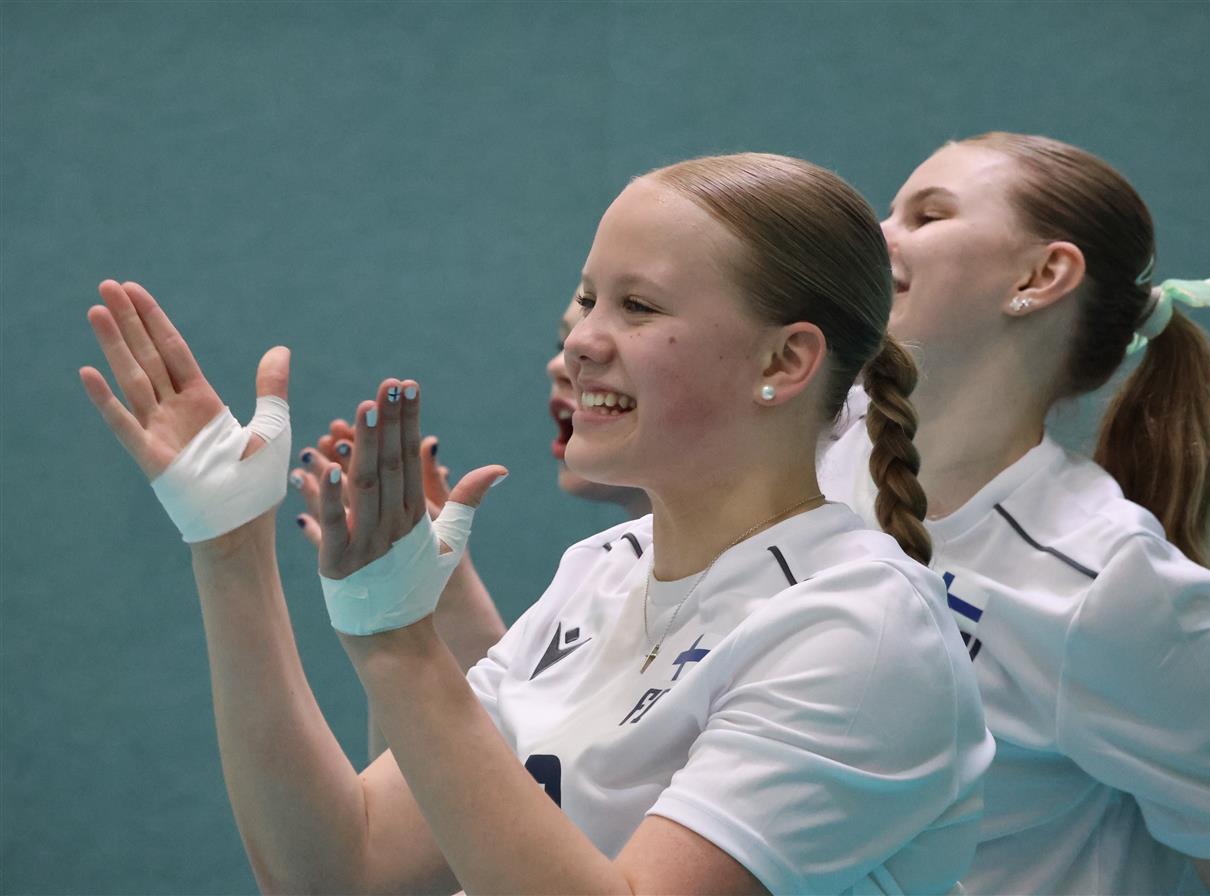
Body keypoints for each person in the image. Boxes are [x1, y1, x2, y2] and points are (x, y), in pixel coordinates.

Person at [80, 153, 994, 895]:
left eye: (639, 306)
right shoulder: (601, 570)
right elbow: (340, 869)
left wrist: (401, 647)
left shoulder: (858, 626)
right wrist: (230, 545)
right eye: (589, 298)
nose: (581, 340)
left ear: (786, 361)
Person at [817, 132, 1210, 894]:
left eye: (927, 216)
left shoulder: (1114, 584)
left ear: (1040, 276)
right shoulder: (811, 443)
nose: (877, 232)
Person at [290, 300, 650, 759]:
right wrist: (434, 592)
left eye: (638, 309)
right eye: (563, 340)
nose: (563, 361)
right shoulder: (588, 577)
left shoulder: (735, 617)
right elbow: (447, 789)